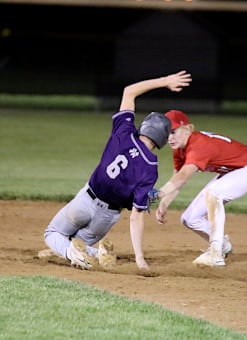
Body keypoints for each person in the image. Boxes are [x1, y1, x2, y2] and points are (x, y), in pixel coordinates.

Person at [41, 71, 192, 272]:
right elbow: (136, 216)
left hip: (85, 201)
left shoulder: (124, 132)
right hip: (106, 218)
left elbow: (129, 92)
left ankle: (75, 253)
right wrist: (140, 260)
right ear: (163, 140)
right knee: (77, 243)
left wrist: (165, 81)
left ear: (144, 126)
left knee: (52, 233)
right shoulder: (150, 168)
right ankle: (95, 253)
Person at [153, 110, 247, 267]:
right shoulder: (179, 149)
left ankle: (215, 253)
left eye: (173, 132)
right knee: (190, 218)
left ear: (187, 129)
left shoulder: (198, 144)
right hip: (234, 172)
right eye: (167, 133)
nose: (170, 138)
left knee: (213, 194)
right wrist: (164, 203)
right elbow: (178, 178)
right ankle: (223, 246)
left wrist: (157, 193)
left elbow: (184, 175)